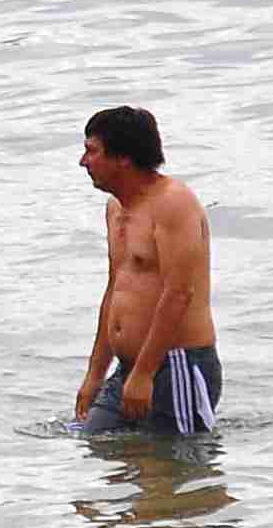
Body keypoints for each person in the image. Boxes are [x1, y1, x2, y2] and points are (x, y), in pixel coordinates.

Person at [75, 106, 221, 434]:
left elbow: (179, 293)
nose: (84, 162)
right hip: (129, 367)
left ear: (123, 158)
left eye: (91, 151)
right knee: (97, 446)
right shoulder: (115, 209)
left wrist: (145, 374)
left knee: (176, 471)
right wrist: (95, 375)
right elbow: (115, 290)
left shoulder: (173, 203)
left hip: (176, 365)